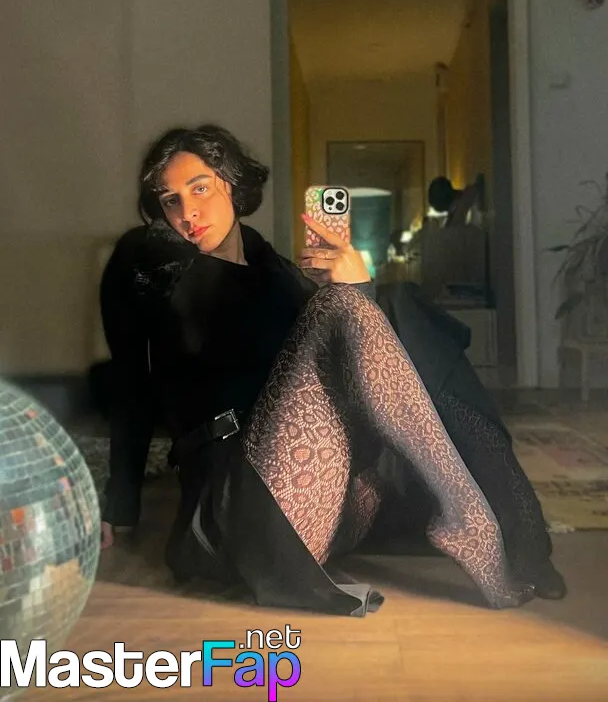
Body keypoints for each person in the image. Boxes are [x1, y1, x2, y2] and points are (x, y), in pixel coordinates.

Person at [99, 124, 565, 617]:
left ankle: (517, 530)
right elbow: (129, 385)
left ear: (231, 183)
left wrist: (359, 285)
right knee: (345, 304)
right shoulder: (150, 260)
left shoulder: (277, 272)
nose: (187, 213)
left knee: (395, 305)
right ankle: (472, 517)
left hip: (331, 504)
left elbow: (367, 366)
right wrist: (120, 502)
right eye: (170, 200)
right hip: (242, 507)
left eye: (200, 188)